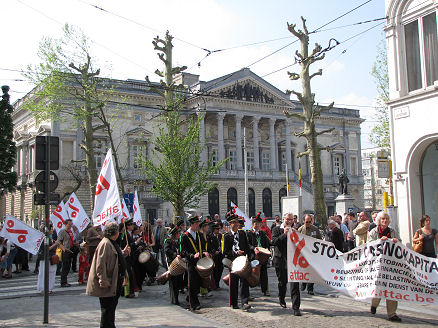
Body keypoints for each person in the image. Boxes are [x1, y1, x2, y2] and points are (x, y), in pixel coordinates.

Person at [86, 221, 127, 328]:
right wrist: (103, 281)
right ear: (114, 233)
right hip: (108, 283)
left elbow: (114, 256)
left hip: (115, 281)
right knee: (107, 310)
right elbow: (100, 265)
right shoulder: (105, 244)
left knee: (111, 309)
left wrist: (123, 253)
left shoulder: (111, 242)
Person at [368, 212, 402, 322]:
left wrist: (397, 242)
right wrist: (379, 241)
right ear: (379, 220)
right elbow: (369, 246)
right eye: (383, 219)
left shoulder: (392, 232)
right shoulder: (374, 232)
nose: (385, 221)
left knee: (392, 288)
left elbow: (400, 245)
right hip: (378, 266)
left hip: (391, 266)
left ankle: (392, 313)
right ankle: (374, 304)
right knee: (379, 287)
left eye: (386, 219)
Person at [271, 212, 301, 316]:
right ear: (283, 219)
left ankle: (296, 307)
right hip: (280, 260)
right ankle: (281, 298)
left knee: (295, 284)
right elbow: (274, 242)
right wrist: (284, 234)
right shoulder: (276, 229)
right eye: (287, 219)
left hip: (293, 261)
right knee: (282, 282)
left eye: (291, 220)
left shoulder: (295, 230)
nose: (289, 221)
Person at [222, 212, 252, 311]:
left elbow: (247, 246)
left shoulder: (242, 233)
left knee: (244, 282)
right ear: (230, 224)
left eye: (236, 222)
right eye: (233, 223)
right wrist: (235, 253)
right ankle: (234, 303)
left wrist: (249, 258)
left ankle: (244, 302)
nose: (235, 224)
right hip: (233, 262)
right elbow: (225, 251)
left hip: (243, 261)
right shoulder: (227, 236)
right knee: (234, 282)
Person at [180, 215, 207, 311]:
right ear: (191, 224)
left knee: (199, 282)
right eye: (196, 224)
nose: (198, 225)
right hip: (191, 262)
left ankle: (190, 297)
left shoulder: (199, 235)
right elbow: (183, 251)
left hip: (200, 261)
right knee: (192, 283)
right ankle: (194, 304)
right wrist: (191, 255)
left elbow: (203, 246)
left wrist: (204, 251)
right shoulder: (185, 236)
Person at [247, 215, 270, 296]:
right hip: (253, 256)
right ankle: (248, 291)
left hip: (262, 256)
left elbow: (267, 244)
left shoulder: (263, 233)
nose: (257, 225)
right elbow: (248, 245)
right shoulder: (249, 233)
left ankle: (265, 290)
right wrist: (254, 249)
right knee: (250, 273)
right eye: (255, 223)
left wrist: (267, 251)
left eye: (258, 224)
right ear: (253, 224)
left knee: (264, 273)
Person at [298, 214, 321, 295]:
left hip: (312, 253)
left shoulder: (315, 229)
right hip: (303, 253)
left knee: (312, 271)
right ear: (303, 221)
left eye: (309, 221)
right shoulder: (300, 229)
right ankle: (304, 282)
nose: (308, 223)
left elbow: (319, 240)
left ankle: (310, 288)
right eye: (306, 222)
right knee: (304, 270)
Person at [36, 224, 59, 293]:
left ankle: (49, 288)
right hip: (46, 258)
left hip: (50, 257)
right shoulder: (45, 238)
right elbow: (47, 248)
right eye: (51, 229)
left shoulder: (49, 238)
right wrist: (55, 244)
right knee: (44, 273)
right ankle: (44, 288)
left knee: (51, 273)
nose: (52, 230)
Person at [164, 226, 183, 305]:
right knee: (173, 283)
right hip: (172, 263)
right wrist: (175, 254)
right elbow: (167, 250)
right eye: (178, 233)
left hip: (179, 263)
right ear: (175, 234)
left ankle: (176, 297)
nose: (179, 234)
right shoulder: (168, 241)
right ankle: (174, 299)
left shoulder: (178, 241)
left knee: (178, 282)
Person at [57, 218, 75, 287]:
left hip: (70, 250)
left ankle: (65, 281)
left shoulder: (70, 231)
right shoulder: (62, 231)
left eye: (71, 224)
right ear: (65, 224)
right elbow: (58, 242)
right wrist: (63, 249)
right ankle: (63, 282)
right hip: (65, 251)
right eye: (69, 224)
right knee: (65, 266)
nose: (70, 225)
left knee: (68, 266)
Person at [208, 223, 223, 290]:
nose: (218, 230)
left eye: (219, 229)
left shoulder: (220, 236)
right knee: (215, 271)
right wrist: (214, 251)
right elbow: (209, 245)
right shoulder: (210, 236)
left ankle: (217, 283)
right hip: (214, 255)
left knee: (220, 269)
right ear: (214, 229)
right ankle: (214, 285)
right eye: (217, 229)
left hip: (220, 255)